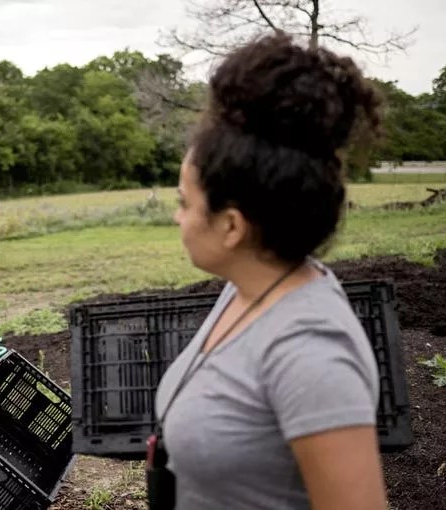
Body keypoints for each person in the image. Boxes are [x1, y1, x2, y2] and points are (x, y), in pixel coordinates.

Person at [154, 33, 387, 509]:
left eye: (185, 202)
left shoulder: (311, 353)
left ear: (232, 226)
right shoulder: (246, 290)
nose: (177, 217)